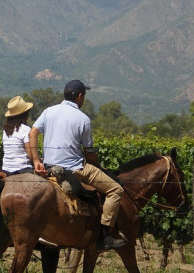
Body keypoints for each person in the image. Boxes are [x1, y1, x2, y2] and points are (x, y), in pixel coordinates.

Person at [28, 80, 127, 251]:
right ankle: (105, 235)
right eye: (84, 96)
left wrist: (37, 161)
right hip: (75, 168)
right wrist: (98, 166)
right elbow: (89, 152)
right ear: (80, 96)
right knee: (116, 190)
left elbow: (32, 133)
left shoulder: (48, 111)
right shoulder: (83, 119)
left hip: (49, 166)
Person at [0, 96, 45, 175]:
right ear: (25, 115)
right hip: (22, 168)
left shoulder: (5, 131)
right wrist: (38, 160)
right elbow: (30, 156)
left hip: (6, 169)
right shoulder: (25, 130)